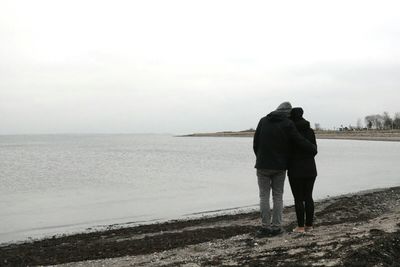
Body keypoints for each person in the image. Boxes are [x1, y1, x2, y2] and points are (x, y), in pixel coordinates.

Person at [253, 102, 317, 237]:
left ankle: (265, 227)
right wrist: (312, 148)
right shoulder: (287, 124)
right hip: (280, 167)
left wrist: (260, 157)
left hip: (262, 165)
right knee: (278, 196)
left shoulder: (263, 121)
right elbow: (298, 140)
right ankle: (276, 227)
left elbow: (256, 143)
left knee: (263, 196)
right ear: (287, 113)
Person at [288, 107, 317, 233]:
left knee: (298, 198)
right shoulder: (310, 131)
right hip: (310, 167)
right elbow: (314, 150)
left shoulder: (290, 131)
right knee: (308, 196)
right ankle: (309, 225)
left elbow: (286, 151)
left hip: (295, 168)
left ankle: (300, 227)